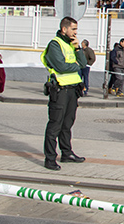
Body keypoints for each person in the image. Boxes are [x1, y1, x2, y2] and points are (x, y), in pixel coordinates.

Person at [41, 16, 88, 171]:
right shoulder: (55, 44)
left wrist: (77, 49)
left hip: (72, 90)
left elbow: (83, 63)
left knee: (67, 124)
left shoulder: (70, 44)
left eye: (76, 29)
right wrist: (75, 65)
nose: (75, 32)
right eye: (73, 29)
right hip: (60, 90)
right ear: (64, 29)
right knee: (55, 125)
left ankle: (67, 153)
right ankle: (50, 159)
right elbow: (61, 67)